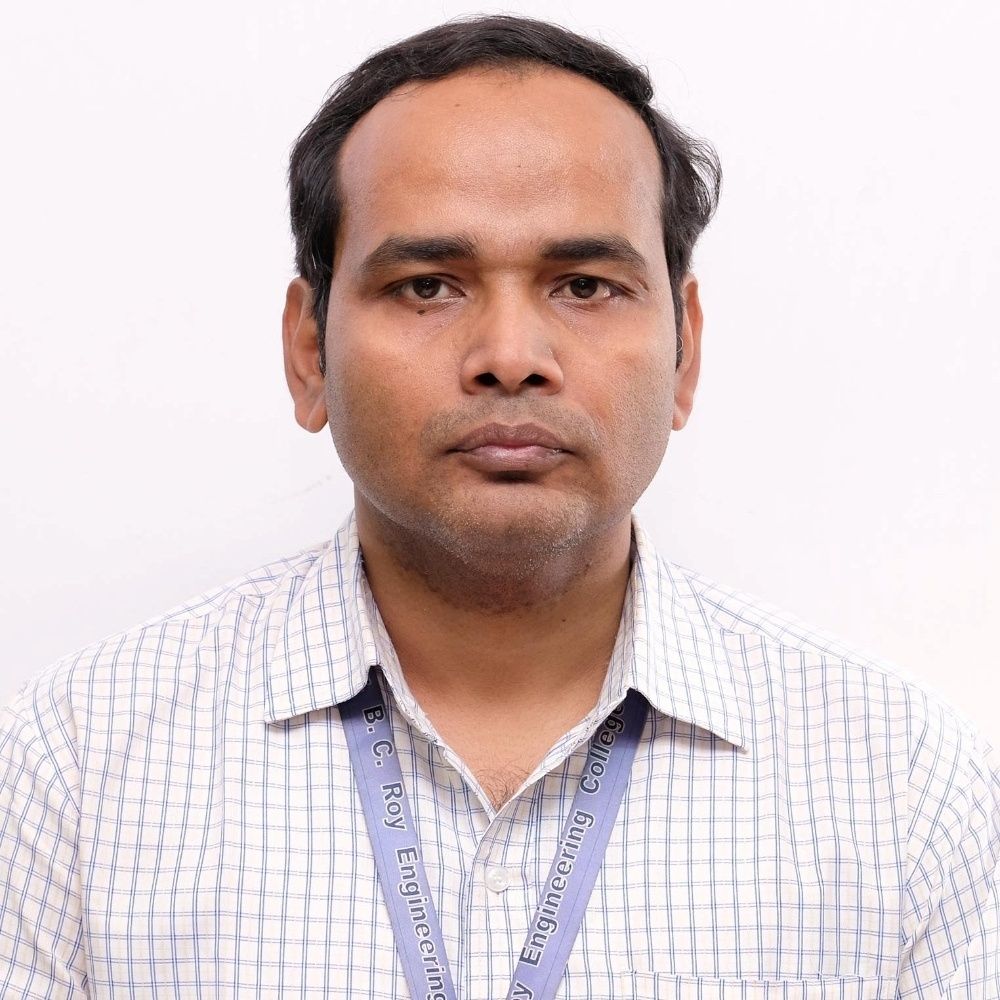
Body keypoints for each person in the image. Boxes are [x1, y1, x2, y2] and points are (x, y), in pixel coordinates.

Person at [1, 14, 996, 999]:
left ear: (685, 350)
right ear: (308, 352)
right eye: (428, 286)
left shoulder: (902, 789)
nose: (510, 356)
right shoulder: (77, 770)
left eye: (585, 285)